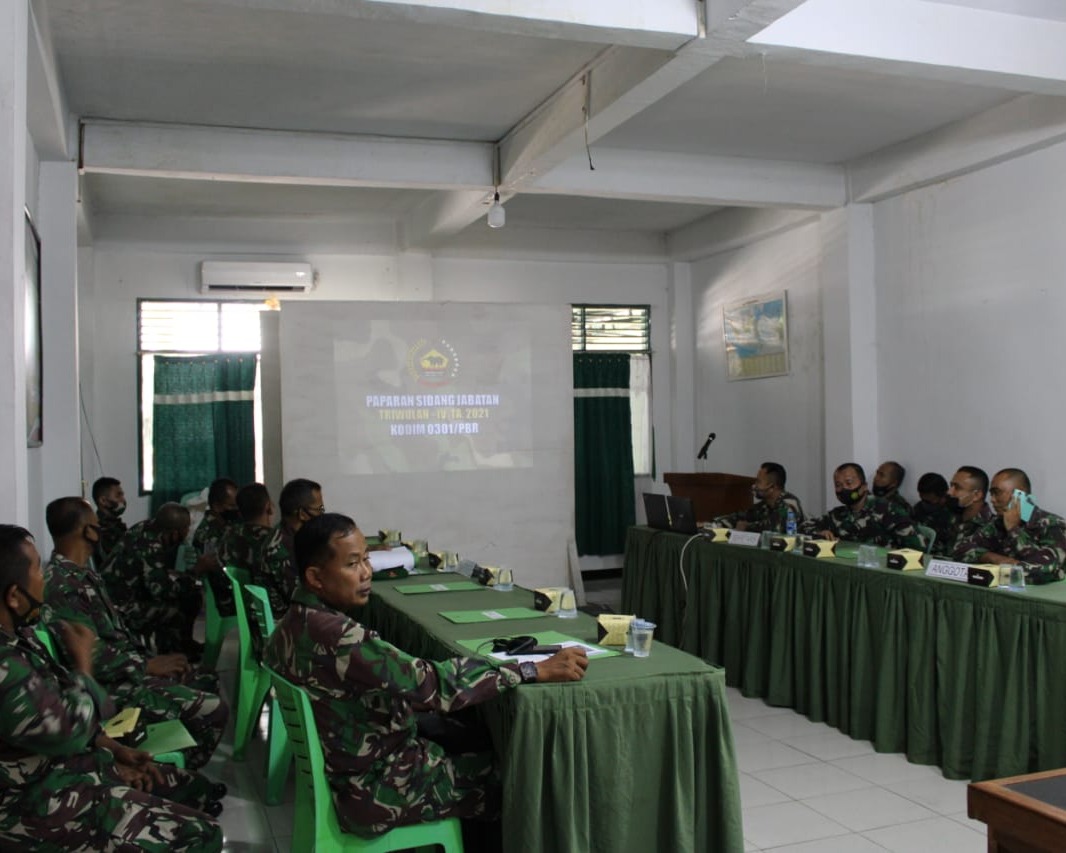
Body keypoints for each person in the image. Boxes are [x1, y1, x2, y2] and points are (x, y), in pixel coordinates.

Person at [264, 513, 588, 838]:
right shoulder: (339, 637)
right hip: (376, 787)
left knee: (466, 732)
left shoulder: (290, 625)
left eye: (366, 559)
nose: (366, 573)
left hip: (349, 767)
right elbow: (432, 686)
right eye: (352, 565)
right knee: (520, 772)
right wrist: (531, 669)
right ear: (316, 577)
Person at [0, 524, 223, 851]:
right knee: (201, 835)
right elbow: (70, 727)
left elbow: (63, 709)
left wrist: (113, 751)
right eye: (36, 568)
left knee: (192, 788)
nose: (43, 577)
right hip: (27, 799)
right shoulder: (5, 667)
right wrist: (83, 666)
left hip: (57, 765)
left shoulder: (21, 636)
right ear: (14, 596)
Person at [44, 497, 230, 771]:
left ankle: (170, 768)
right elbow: (86, 652)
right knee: (214, 709)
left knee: (204, 678)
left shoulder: (80, 574)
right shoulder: (63, 585)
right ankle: (171, 778)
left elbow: (112, 635)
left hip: (122, 670)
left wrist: (146, 659)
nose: (101, 531)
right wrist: (145, 665)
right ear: (87, 531)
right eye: (96, 525)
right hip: (107, 688)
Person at [100, 503, 212, 658]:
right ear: (174, 533)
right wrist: (195, 571)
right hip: (121, 607)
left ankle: (182, 645)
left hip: (121, 595)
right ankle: (174, 653)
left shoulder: (145, 529)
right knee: (180, 605)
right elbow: (162, 591)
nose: (187, 532)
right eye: (186, 528)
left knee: (189, 594)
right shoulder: (150, 546)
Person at [955, 468, 1066, 582]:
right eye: (991, 494)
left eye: (997, 493)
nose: (992, 500)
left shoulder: (1053, 524)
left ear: (1019, 494)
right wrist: (995, 559)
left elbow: (1044, 571)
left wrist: (1013, 529)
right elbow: (960, 549)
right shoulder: (998, 522)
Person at [800, 462, 924, 548]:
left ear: (864, 486)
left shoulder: (888, 510)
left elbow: (918, 547)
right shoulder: (839, 514)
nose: (844, 489)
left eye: (849, 483)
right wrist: (820, 533)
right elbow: (803, 527)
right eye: (838, 485)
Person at [220, 482, 294, 619]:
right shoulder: (273, 543)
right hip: (272, 614)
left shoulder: (229, 535)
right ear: (269, 508)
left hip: (243, 607)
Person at [192, 477, 240, 618]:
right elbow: (220, 570)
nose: (236, 510)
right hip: (227, 596)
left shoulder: (225, 525)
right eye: (232, 506)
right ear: (217, 506)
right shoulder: (208, 533)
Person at [712, 462, 806, 533]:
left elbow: (774, 527)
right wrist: (711, 525)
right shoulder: (764, 506)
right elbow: (739, 517)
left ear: (772, 487)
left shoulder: (789, 504)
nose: (754, 486)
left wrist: (746, 526)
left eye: (758, 482)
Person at [935, 466, 994, 559]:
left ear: (977, 495)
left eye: (957, 488)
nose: (950, 492)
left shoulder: (991, 526)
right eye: (951, 486)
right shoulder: (949, 517)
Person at [276, 477, 326, 579]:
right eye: (319, 509)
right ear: (302, 514)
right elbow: (304, 590)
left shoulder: (287, 534)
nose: (322, 514)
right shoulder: (285, 550)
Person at [912, 472, 955, 554]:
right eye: (923, 499)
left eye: (929, 502)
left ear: (943, 497)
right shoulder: (918, 508)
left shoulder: (953, 513)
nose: (925, 504)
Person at [92, 476, 128, 565]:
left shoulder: (115, 525)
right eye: (118, 495)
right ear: (103, 500)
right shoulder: (102, 529)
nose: (123, 500)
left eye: (123, 495)